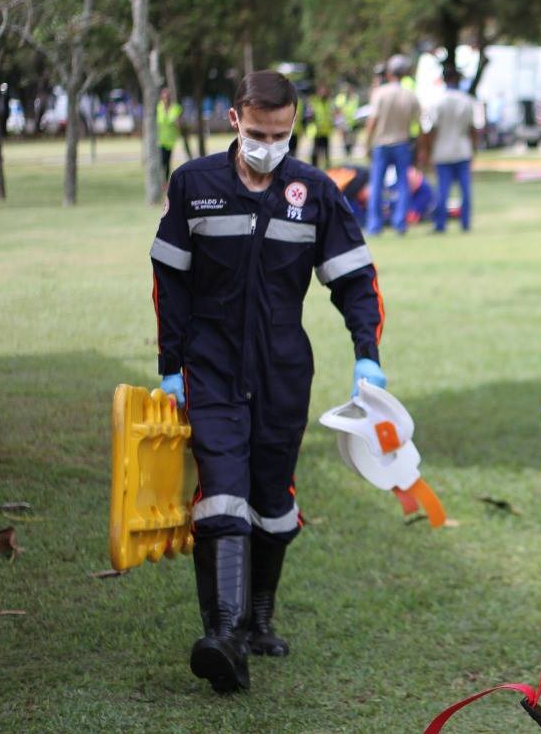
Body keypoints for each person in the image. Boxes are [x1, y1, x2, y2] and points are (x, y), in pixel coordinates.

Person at [149, 70, 387, 694]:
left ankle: (257, 621)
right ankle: (224, 637)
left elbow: (355, 279)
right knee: (222, 489)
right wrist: (170, 365)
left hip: (283, 366)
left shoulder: (314, 191)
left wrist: (367, 354)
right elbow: (169, 279)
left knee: (273, 497)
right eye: (257, 132)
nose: (268, 144)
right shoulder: (193, 185)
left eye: (280, 134)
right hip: (212, 361)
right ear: (234, 120)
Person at [363, 55, 420, 235]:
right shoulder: (409, 94)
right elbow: (418, 121)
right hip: (402, 143)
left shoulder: (380, 93)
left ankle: (374, 224)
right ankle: (400, 222)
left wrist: (367, 143)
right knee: (403, 184)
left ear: (389, 73)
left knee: (377, 184)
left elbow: (372, 121)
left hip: (381, 143)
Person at [422, 68, 482, 233]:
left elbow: (430, 129)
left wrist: (427, 150)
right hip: (463, 150)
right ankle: (465, 222)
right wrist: (474, 147)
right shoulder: (467, 100)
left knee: (442, 190)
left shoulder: (437, 101)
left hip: (443, 151)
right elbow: (473, 128)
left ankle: (440, 224)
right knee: (465, 189)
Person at [157, 87, 183, 182]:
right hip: (159, 140)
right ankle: (161, 180)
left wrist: (178, 124)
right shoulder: (158, 108)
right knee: (161, 161)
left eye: (167, 97)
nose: (166, 99)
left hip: (170, 140)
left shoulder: (175, 108)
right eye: (164, 97)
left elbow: (178, 122)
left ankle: (165, 181)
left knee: (167, 161)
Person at [309, 85, 336, 170]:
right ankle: (314, 167)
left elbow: (331, 115)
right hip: (317, 132)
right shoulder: (314, 102)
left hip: (326, 131)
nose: (323, 93)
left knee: (326, 152)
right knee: (315, 152)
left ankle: (327, 167)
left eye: (324, 91)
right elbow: (309, 115)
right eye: (321, 91)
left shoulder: (328, 102)